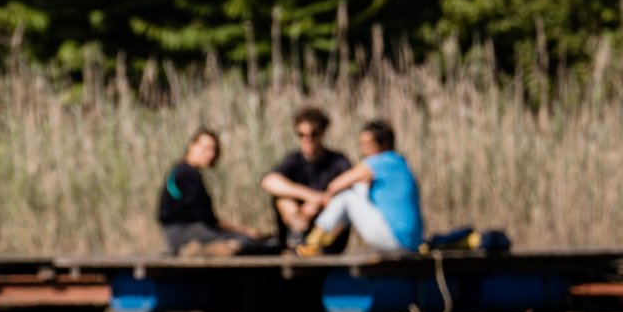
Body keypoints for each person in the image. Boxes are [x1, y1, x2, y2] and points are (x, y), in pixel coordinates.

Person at [297, 120, 424, 256]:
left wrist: (322, 200)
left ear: (384, 144)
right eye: (361, 145)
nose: (363, 150)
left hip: (396, 239)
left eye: (367, 145)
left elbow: (335, 185)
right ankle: (326, 240)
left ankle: (312, 242)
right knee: (358, 190)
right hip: (412, 242)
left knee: (347, 196)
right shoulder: (399, 161)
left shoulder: (380, 161)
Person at [157, 129, 275, 255]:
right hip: (184, 233)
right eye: (206, 148)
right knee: (249, 241)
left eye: (213, 150)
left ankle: (207, 249)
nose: (210, 154)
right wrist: (244, 231)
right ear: (192, 146)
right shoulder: (187, 173)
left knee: (244, 239)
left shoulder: (180, 170)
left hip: (178, 234)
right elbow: (207, 219)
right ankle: (210, 249)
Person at [260, 107, 353, 253]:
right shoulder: (294, 159)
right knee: (282, 199)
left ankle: (313, 243)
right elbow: (269, 181)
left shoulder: (338, 161)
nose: (307, 139)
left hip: (328, 233)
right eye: (302, 134)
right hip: (299, 224)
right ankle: (299, 237)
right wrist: (310, 196)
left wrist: (320, 203)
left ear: (323, 133)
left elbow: (352, 192)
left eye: (313, 134)